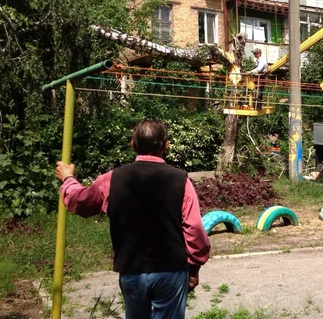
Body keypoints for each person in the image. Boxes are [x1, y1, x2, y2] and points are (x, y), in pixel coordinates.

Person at [55, 119, 211, 319]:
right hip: (171, 270)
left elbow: (82, 201)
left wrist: (68, 179)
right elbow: (195, 229)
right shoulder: (181, 180)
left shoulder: (113, 179)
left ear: (132, 144)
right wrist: (194, 266)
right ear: (166, 145)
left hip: (132, 269)